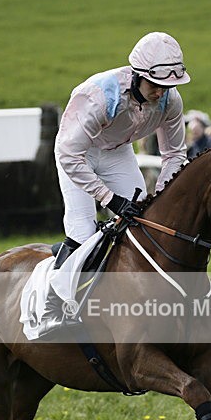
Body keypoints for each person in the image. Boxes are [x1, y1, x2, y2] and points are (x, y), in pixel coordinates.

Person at [54, 31, 190, 261]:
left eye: (166, 86)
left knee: (144, 224)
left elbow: (175, 154)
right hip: (79, 155)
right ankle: (57, 282)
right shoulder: (98, 97)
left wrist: (161, 196)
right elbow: (69, 155)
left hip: (118, 153)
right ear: (138, 75)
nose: (160, 93)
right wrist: (110, 199)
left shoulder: (171, 101)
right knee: (83, 235)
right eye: (155, 84)